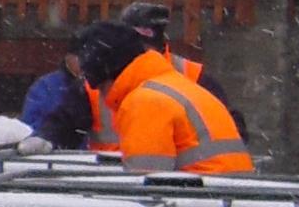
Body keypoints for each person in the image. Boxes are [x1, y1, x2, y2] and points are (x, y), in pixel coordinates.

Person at [72, 17, 256, 174]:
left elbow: (146, 184)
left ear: (110, 76)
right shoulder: (176, 85)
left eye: (101, 88)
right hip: (229, 200)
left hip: (202, 206)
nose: (104, 98)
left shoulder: (143, 103)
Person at [20, 50, 94, 150]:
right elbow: (30, 124)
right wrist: (44, 138)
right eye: (80, 57)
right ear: (68, 58)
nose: (85, 62)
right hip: (54, 156)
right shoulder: (46, 86)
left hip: (90, 157)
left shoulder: (97, 85)